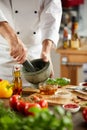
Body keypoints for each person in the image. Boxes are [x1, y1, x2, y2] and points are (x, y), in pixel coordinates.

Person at [0, 0, 62, 86]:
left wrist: (46, 51)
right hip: (4, 55)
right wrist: (11, 38)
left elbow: (52, 12)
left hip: (36, 52)